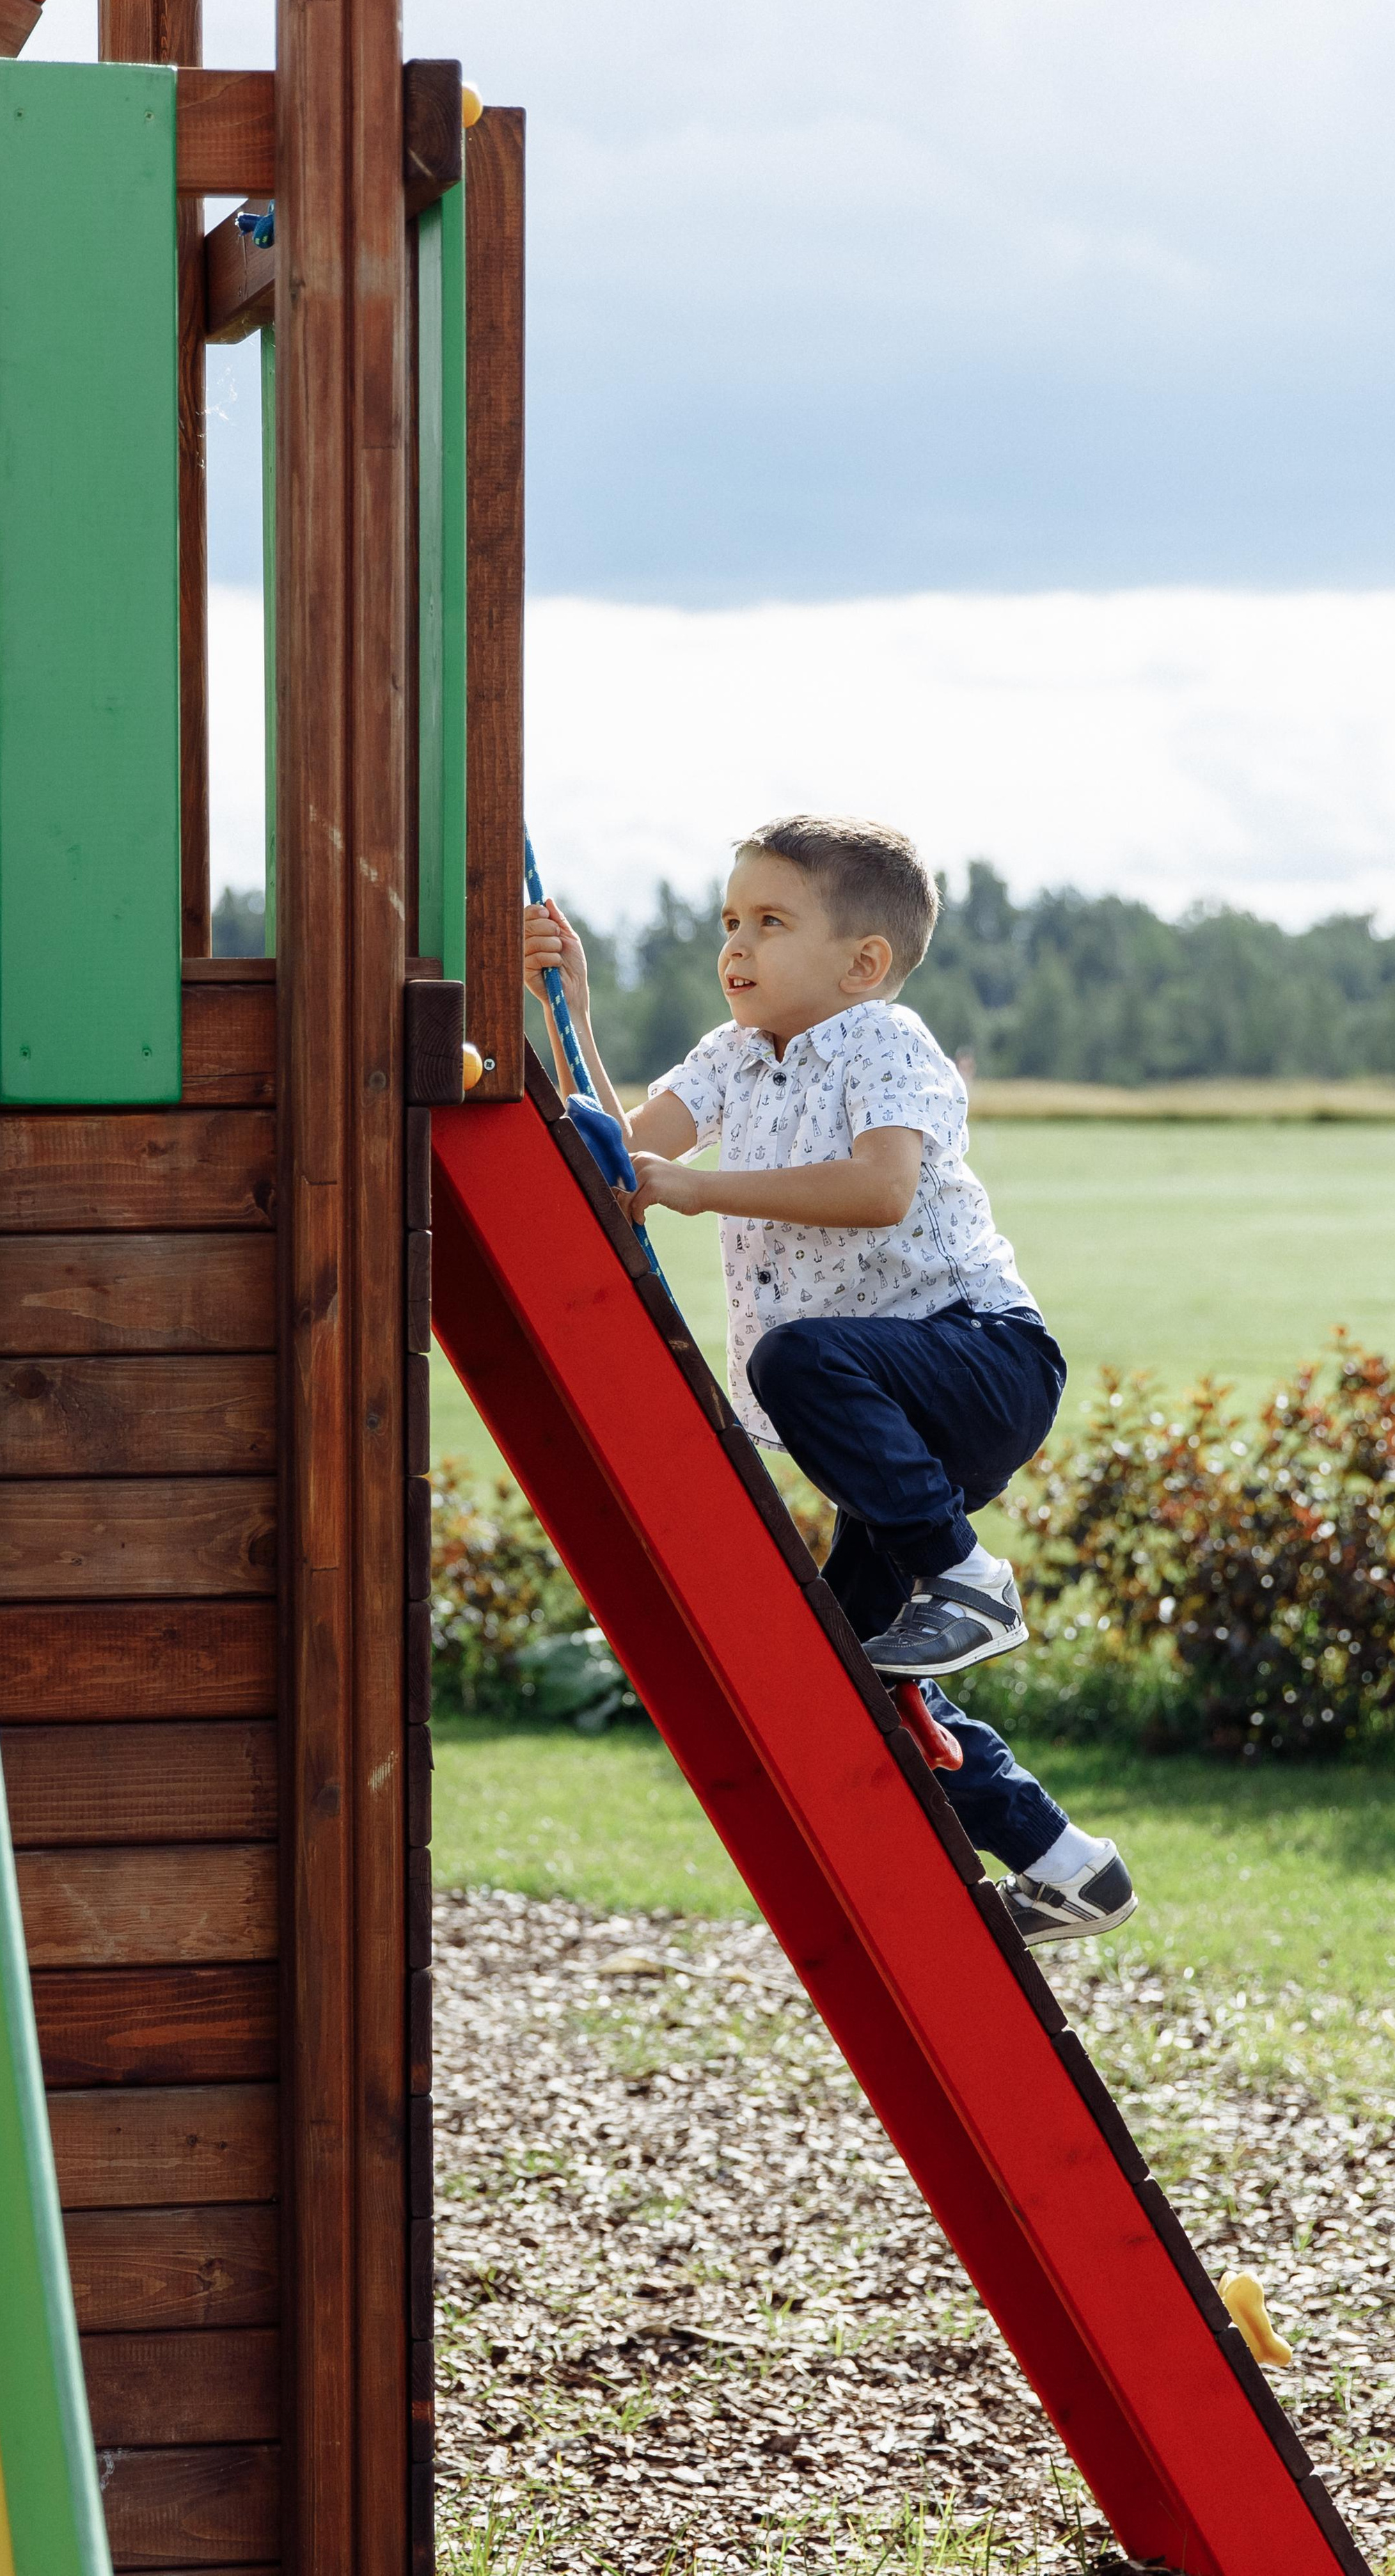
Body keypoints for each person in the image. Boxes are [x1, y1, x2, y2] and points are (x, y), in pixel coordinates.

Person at [523, 813, 1136, 1947]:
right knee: (846, 1677)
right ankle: (1068, 1866)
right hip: (884, 1413)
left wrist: (702, 1190)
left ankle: (967, 1578)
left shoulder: (885, 1043)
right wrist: (575, 1011)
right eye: (730, 921)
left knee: (796, 1356)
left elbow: (879, 1190)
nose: (736, 945)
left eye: (771, 922)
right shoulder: (729, 1055)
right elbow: (620, 1159)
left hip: (978, 1360)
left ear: (862, 962)